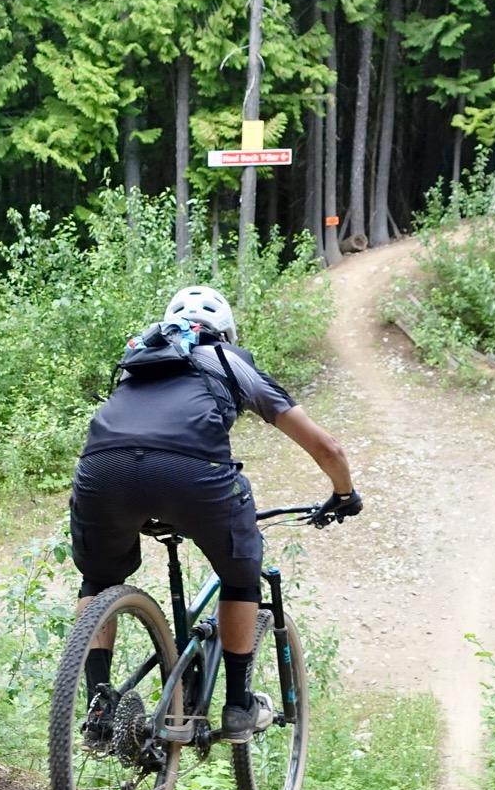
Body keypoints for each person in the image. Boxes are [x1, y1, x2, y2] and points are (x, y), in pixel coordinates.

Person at [70, 285, 362, 743]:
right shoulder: (229, 362)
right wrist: (344, 493)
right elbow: (327, 447)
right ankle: (239, 706)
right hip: (193, 476)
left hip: (101, 469)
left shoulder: (138, 362)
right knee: (241, 575)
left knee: (98, 579)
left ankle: (98, 705)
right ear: (225, 334)